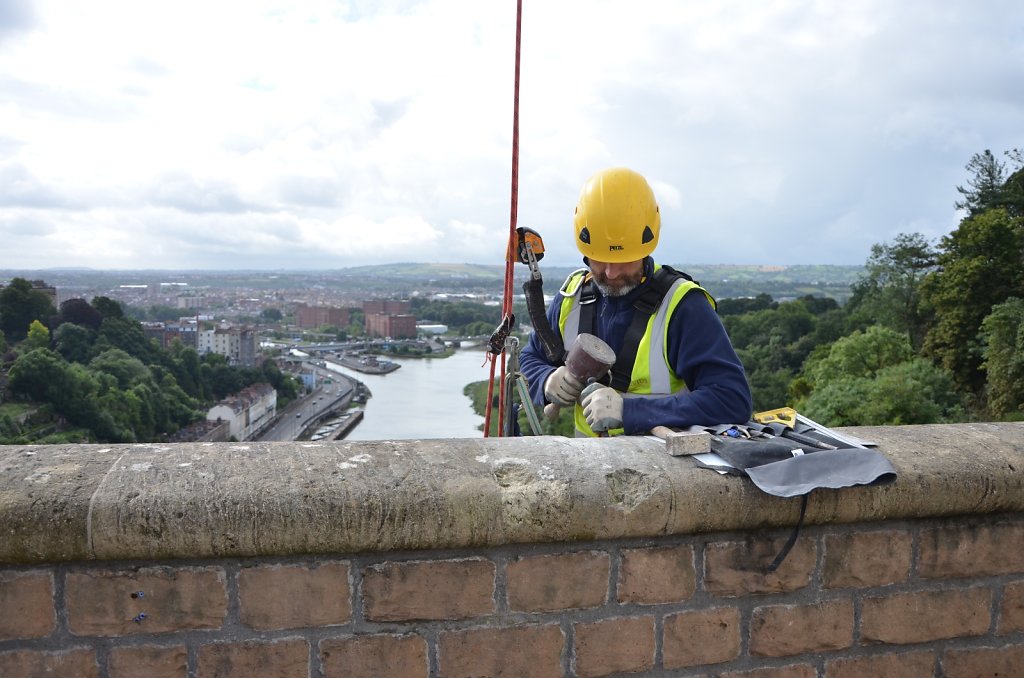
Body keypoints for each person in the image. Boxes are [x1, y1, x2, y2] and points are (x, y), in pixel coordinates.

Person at [519, 167, 753, 436]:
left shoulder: (683, 307)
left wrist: (630, 412)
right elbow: (532, 356)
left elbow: (731, 399)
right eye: (599, 259)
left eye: (623, 261)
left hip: (664, 470)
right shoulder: (572, 297)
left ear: (646, 247)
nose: (610, 273)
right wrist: (546, 379)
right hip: (589, 465)